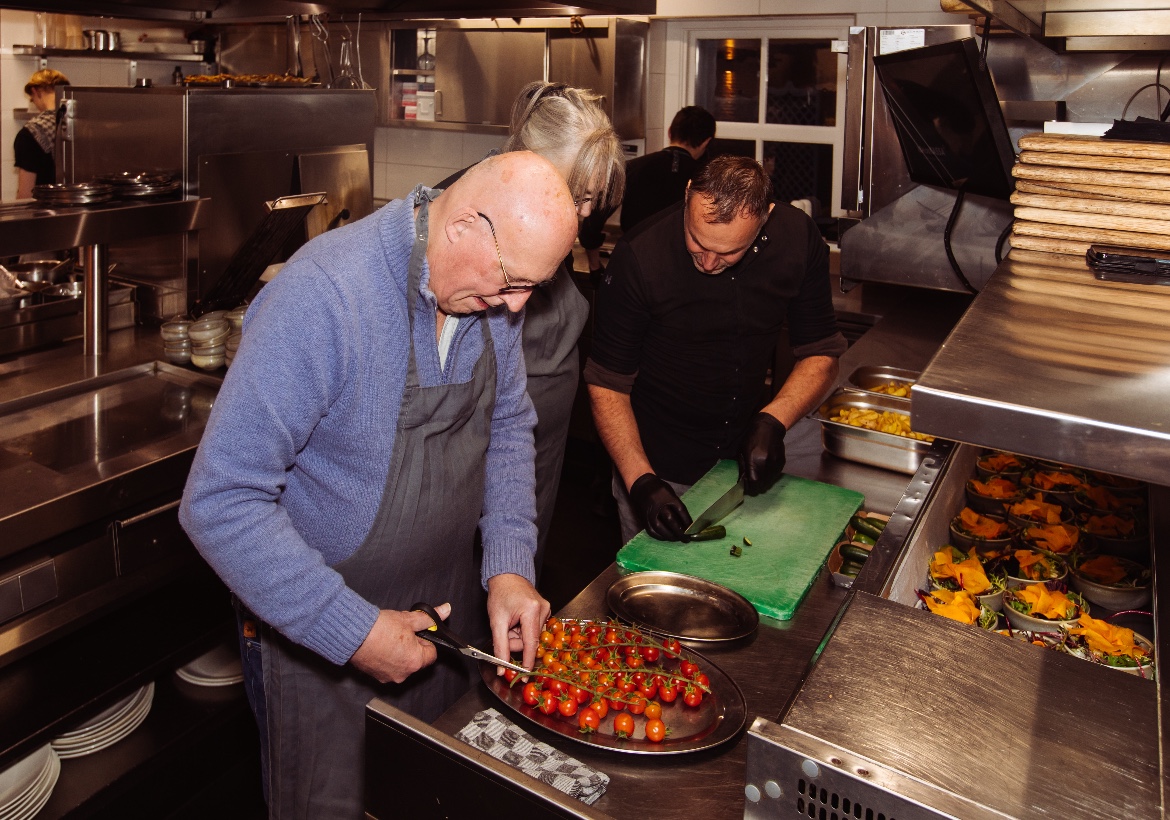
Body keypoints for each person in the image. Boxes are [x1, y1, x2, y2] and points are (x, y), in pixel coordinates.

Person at [179, 151, 579, 818]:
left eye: (531, 289)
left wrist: (509, 566)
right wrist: (355, 633)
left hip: (449, 619)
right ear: (462, 229)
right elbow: (220, 502)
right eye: (512, 283)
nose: (517, 308)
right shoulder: (324, 295)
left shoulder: (494, 295)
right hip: (323, 635)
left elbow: (508, 424)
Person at [584, 155, 847, 544]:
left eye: (727, 252)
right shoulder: (640, 256)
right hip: (658, 462)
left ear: (765, 218)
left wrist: (774, 420)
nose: (707, 262)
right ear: (688, 193)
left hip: (747, 463)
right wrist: (641, 481)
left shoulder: (798, 238)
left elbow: (821, 352)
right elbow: (607, 384)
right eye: (697, 241)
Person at [438, 82, 625, 576]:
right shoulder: (463, 215)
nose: (582, 214)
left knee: (522, 549)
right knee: (472, 558)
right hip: (484, 422)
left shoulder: (543, 215)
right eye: (574, 195)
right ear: (525, 158)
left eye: (589, 199)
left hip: (544, 415)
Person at [579, 105, 716, 271]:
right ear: (706, 142)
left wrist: (595, 266)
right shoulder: (707, 179)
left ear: (670, 132)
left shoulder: (631, 168)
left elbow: (592, 223)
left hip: (633, 266)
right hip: (681, 271)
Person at [15, 69, 69, 199]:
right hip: (81, 207)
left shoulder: (29, 133)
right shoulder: (81, 124)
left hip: (46, 213)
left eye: (32, 99)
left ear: (35, 91)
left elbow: (26, 194)